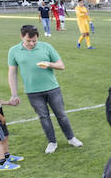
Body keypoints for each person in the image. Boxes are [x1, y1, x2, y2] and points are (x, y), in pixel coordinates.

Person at [7, 24, 82, 154]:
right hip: (32, 92)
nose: (31, 43)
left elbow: (61, 65)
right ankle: (52, 142)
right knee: (44, 117)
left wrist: (49, 64)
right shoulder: (13, 51)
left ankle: (71, 138)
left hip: (52, 88)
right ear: (21, 37)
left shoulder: (46, 47)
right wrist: (14, 94)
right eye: (28, 41)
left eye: (34, 41)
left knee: (61, 115)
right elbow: (12, 73)